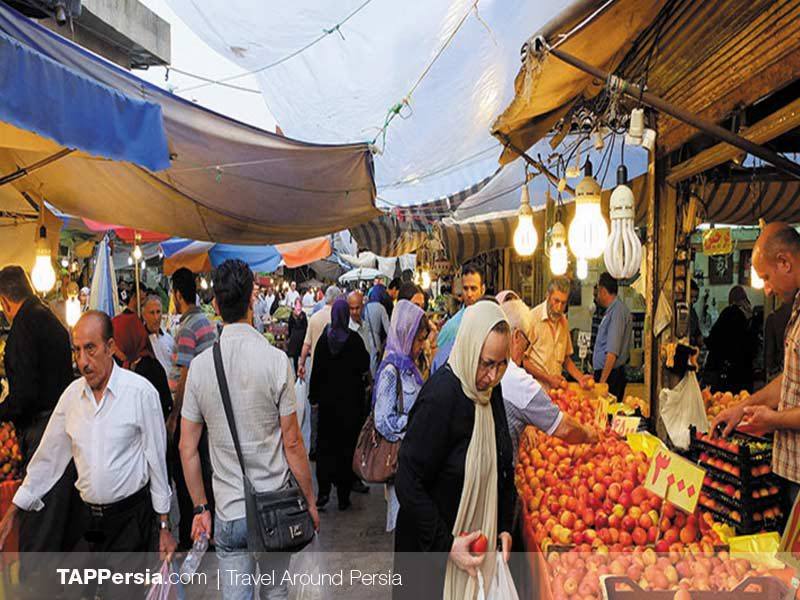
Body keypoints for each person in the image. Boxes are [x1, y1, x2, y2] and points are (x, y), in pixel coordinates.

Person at [0, 311, 175, 600]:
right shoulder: (71, 398)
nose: (82, 361)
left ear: (110, 347)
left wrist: (164, 527)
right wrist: (13, 511)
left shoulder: (140, 394)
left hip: (130, 522)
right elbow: (48, 459)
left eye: (90, 348)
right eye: (77, 349)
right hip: (86, 522)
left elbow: (157, 463)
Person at [180, 260, 318, 600]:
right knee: (275, 592)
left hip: (229, 510)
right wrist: (310, 500)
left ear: (215, 306)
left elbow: (187, 447)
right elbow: (293, 443)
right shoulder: (275, 361)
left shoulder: (199, 369)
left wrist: (200, 507)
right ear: (252, 300)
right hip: (274, 506)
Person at [394, 302, 514, 600]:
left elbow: (502, 464)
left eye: (502, 364)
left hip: (474, 554)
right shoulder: (441, 397)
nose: (493, 375)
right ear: (469, 348)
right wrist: (447, 545)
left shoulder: (489, 392)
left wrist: (504, 526)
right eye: (486, 363)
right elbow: (408, 481)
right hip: (429, 563)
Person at [0, 266, 80, 586]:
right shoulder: (51, 320)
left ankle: (38, 585)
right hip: (63, 424)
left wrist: (3, 411)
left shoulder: (22, 328)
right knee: (60, 510)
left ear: (5, 301)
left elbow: (24, 397)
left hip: (41, 428)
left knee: (39, 510)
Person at [712, 223, 800, 503]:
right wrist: (741, 408)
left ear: (784, 261)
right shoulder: (796, 310)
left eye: (766, 277)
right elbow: (789, 381)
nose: (767, 289)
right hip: (790, 471)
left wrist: (774, 419)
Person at [169, 267, 217, 550]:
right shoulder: (205, 321)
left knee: (186, 465)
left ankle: (194, 527)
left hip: (193, 409)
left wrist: (175, 416)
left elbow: (185, 376)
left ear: (176, 294)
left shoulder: (188, 327)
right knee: (203, 466)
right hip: (206, 406)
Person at [309, 299, 370, 510]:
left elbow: (315, 372)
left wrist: (314, 399)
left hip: (328, 408)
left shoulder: (324, 342)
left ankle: (323, 492)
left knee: (326, 448)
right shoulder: (354, 340)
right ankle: (343, 497)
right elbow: (365, 365)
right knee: (346, 450)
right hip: (350, 408)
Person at [373, 300, 428, 531]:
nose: (422, 346)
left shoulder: (411, 368)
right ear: (405, 335)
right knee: (404, 527)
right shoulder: (390, 371)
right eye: (419, 339)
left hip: (414, 459)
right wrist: (415, 422)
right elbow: (383, 420)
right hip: (400, 462)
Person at [525, 277, 594, 391]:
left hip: (556, 392)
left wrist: (580, 378)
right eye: (556, 301)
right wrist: (548, 378)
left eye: (563, 303)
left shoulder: (564, 322)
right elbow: (523, 360)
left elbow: (565, 359)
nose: (559, 308)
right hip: (534, 391)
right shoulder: (532, 318)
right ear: (548, 296)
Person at [113, 313, 173, 419]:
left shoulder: (150, 369)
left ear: (128, 339)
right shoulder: (128, 363)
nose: (114, 350)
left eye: (116, 343)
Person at [431, 265, 486, 374]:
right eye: (465, 288)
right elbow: (438, 364)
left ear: (482, 289)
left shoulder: (488, 321)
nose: (469, 294)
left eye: (473, 288)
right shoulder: (452, 327)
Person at [704, 285, 756, 393]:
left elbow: (712, 340)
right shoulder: (750, 315)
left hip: (726, 373)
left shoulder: (728, 313)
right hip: (744, 373)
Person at [593, 272, 633, 401]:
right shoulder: (611, 310)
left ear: (603, 291)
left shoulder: (617, 312)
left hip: (611, 376)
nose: (597, 296)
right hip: (608, 374)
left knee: (608, 416)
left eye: (598, 292)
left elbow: (612, 352)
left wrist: (602, 383)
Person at [142, 293, 175, 376]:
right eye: (152, 313)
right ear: (144, 315)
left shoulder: (168, 338)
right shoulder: (142, 341)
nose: (156, 317)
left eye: (158, 312)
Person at [363, 285, 392, 377]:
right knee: (375, 362)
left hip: (365, 338)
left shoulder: (365, 307)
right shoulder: (381, 308)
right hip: (376, 340)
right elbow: (388, 329)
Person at [765, 298, 794, 381]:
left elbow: (769, 353)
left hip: (779, 370)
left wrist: (770, 371)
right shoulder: (795, 317)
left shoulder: (773, 318)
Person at [287, 298, 308, 374]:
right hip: (298, 337)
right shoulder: (302, 315)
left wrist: (289, 336)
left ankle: (298, 372)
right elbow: (305, 327)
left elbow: (290, 327)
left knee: (296, 357)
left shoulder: (293, 315)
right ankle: (300, 371)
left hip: (296, 337)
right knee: (300, 356)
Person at [689, 280, 703, 349]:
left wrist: (700, 337)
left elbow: (697, 330)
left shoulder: (692, 311)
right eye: (691, 297)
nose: (694, 300)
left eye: (696, 297)